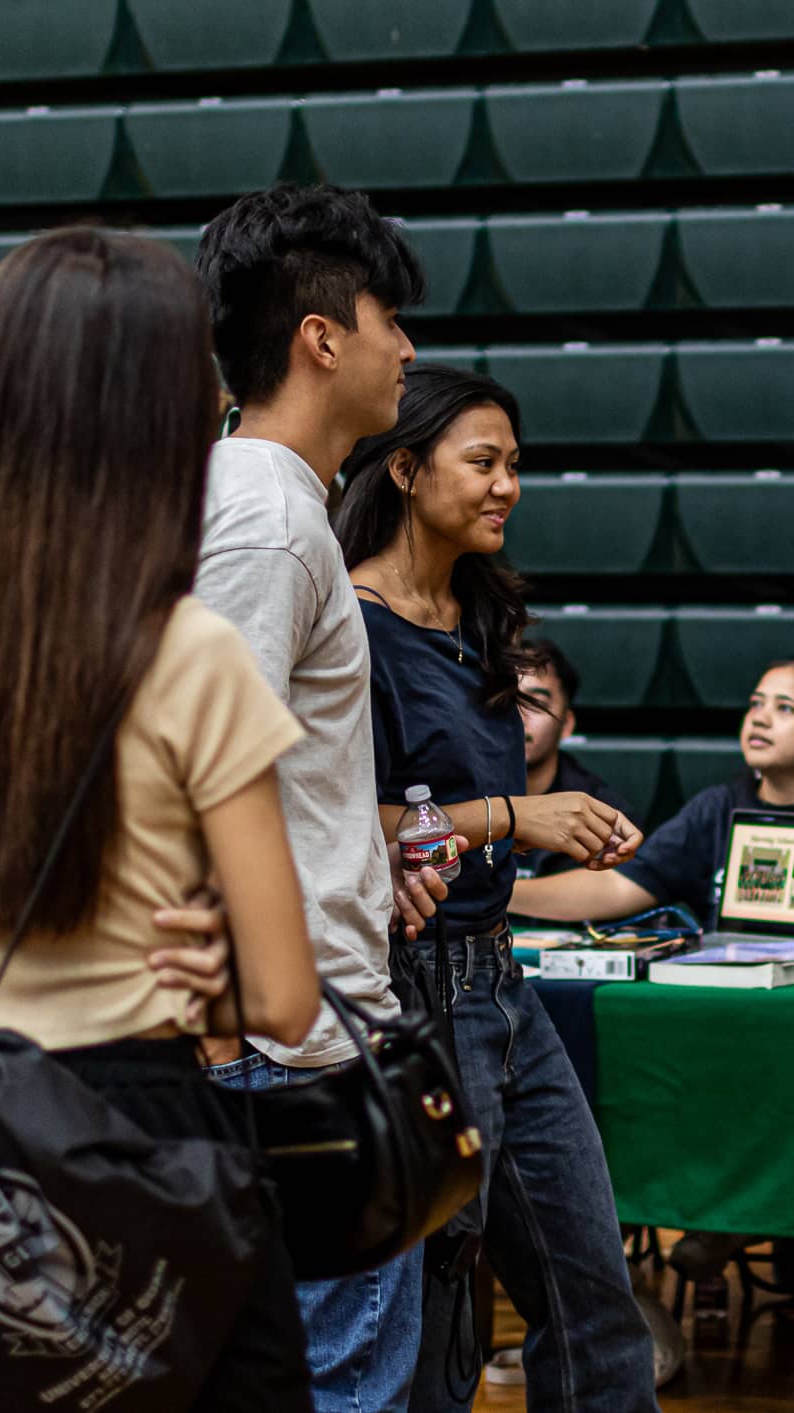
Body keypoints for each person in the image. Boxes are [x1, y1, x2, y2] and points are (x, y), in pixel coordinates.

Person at [0, 229, 320, 1407]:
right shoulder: (190, 654)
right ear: (163, 412)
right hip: (136, 1127)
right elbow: (283, 998)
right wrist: (215, 971)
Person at [334, 364, 658, 1413]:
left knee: (592, 1294)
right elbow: (355, 825)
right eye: (483, 462)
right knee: (435, 1320)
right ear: (403, 469)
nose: (507, 485)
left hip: (501, 990)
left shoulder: (474, 614)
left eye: (514, 464)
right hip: (411, 999)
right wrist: (512, 819)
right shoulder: (350, 627)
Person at [193, 183, 449, 1413]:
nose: (409, 347)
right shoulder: (264, 522)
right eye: (391, 315)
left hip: (291, 1036)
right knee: (339, 1392)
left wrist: (357, 860)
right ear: (321, 336)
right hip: (281, 1054)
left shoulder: (270, 507)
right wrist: (242, 1018)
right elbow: (192, 780)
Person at [511, 655, 794, 924]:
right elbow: (619, 886)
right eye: (756, 704)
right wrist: (497, 894)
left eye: (785, 708)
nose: (760, 719)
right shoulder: (714, 810)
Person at [516, 639, 644, 880]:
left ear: (567, 724)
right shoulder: (458, 796)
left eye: (534, 703)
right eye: (505, 701)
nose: (517, 717)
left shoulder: (604, 817)